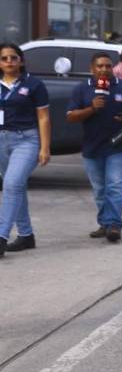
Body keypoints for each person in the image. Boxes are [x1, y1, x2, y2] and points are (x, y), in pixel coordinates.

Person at [67, 51, 122, 243]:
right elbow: (71, 116)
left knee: (115, 186)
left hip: (118, 144)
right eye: (100, 66)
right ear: (92, 68)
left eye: (108, 66)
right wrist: (92, 108)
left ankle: (114, 225)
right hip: (92, 146)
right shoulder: (81, 89)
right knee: (100, 189)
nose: (104, 69)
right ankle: (105, 223)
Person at [0, 43, 51, 256]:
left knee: (11, 185)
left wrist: (45, 147)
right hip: (1, 140)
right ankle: (26, 235)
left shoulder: (33, 84)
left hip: (26, 140)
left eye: (13, 57)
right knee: (16, 187)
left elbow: (43, 117)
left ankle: (1, 236)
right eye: (4, 58)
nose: (9, 62)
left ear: (21, 61)